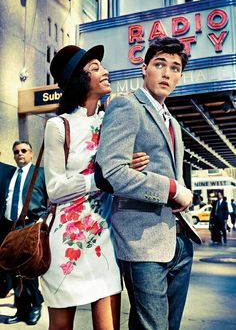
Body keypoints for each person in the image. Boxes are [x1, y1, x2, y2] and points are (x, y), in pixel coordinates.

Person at [40, 44, 149, 330]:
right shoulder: (58, 126)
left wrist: (130, 166)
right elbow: (54, 189)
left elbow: (120, 172)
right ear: (80, 79)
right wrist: (99, 179)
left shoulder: (110, 122)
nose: (105, 71)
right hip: (66, 243)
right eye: (96, 68)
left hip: (104, 239)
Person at [95, 36, 195, 330]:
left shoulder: (173, 122)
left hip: (178, 240)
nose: (167, 73)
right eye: (159, 64)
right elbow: (111, 171)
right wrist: (172, 189)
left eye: (175, 68)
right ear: (144, 68)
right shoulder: (127, 106)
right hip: (141, 241)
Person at [0, 141, 47, 325]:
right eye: (16, 152)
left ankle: (36, 304)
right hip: (9, 227)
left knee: (28, 270)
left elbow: (51, 197)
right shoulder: (11, 174)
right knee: (13, 270)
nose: (20, 154)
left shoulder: (40, 173)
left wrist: (43, 218)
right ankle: (21, 309)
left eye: (24, 151)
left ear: (31, 153)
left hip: (30, 226)